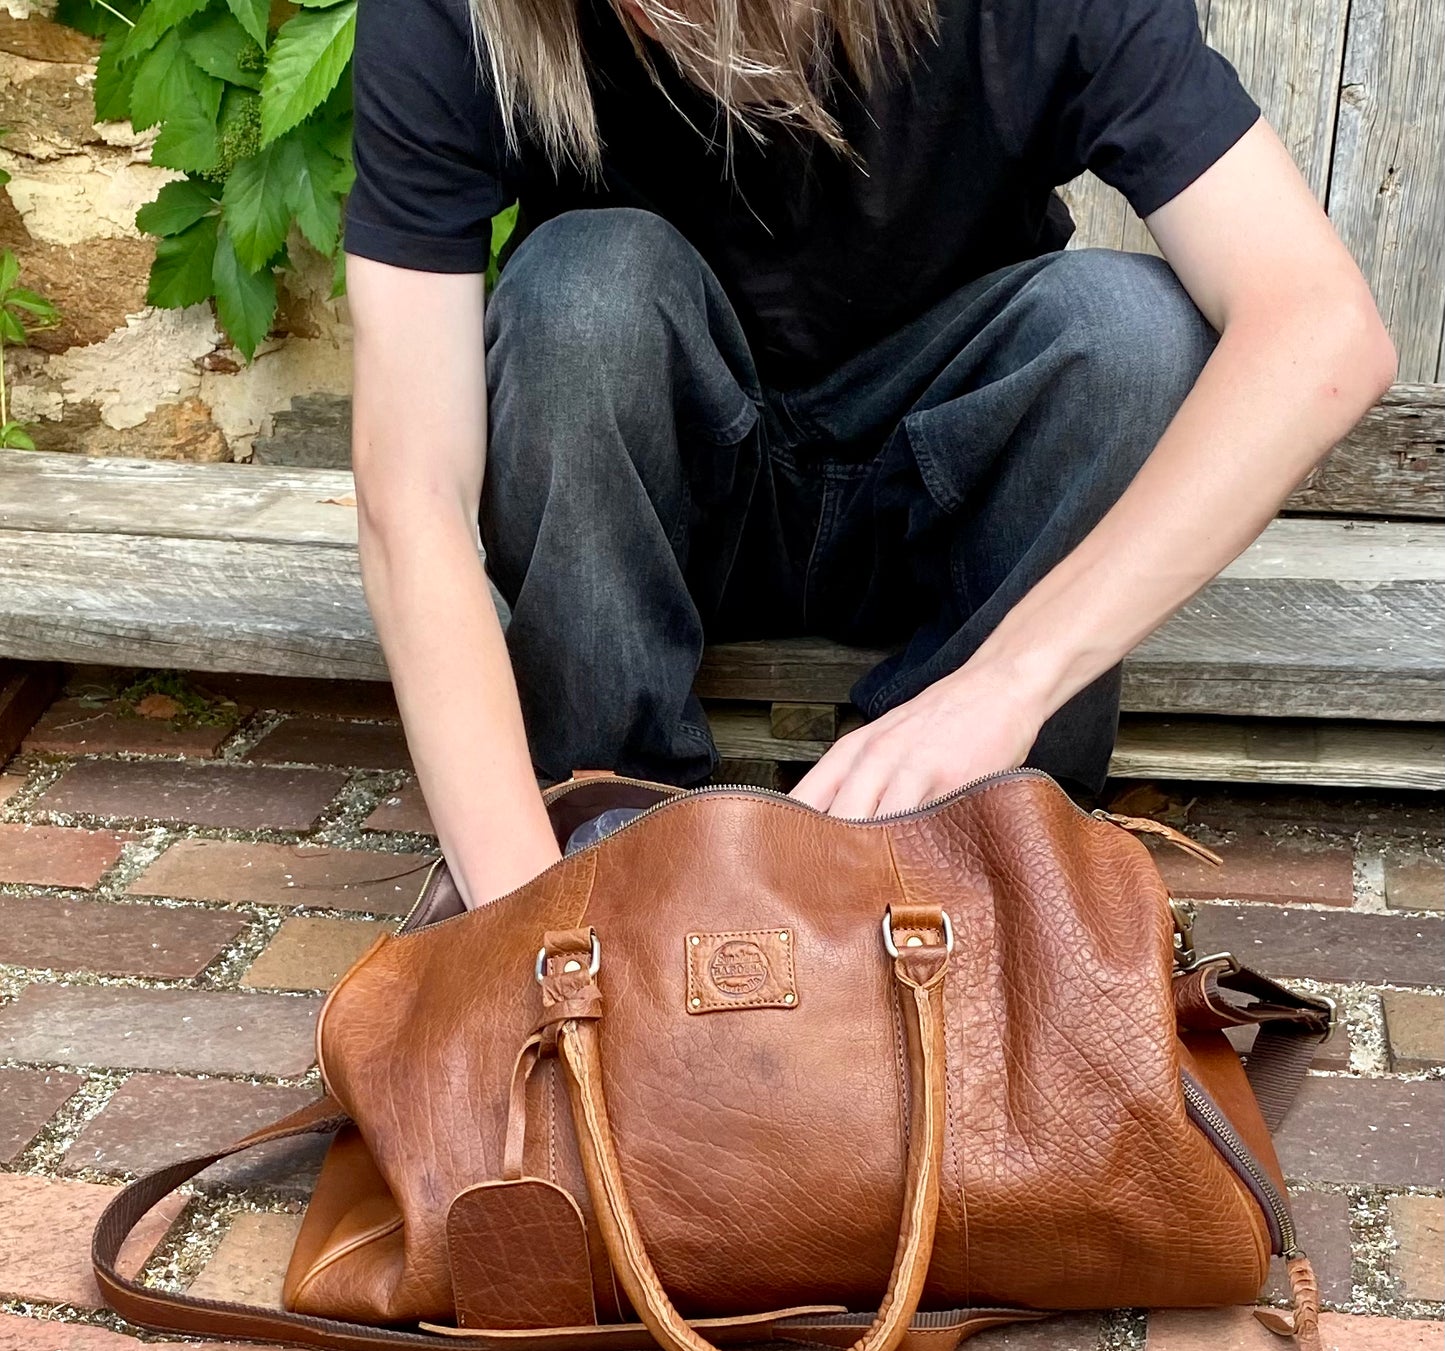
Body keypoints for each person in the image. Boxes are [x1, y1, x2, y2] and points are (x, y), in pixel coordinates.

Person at [343, 0, 1395, 910]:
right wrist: (528, 911)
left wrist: (1008, 683)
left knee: (1130, 332)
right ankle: (609, 827)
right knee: (579, 289)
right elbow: (413, 489)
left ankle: (967, 843)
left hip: (942, 514)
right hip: (667, 514)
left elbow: (1319, 328)